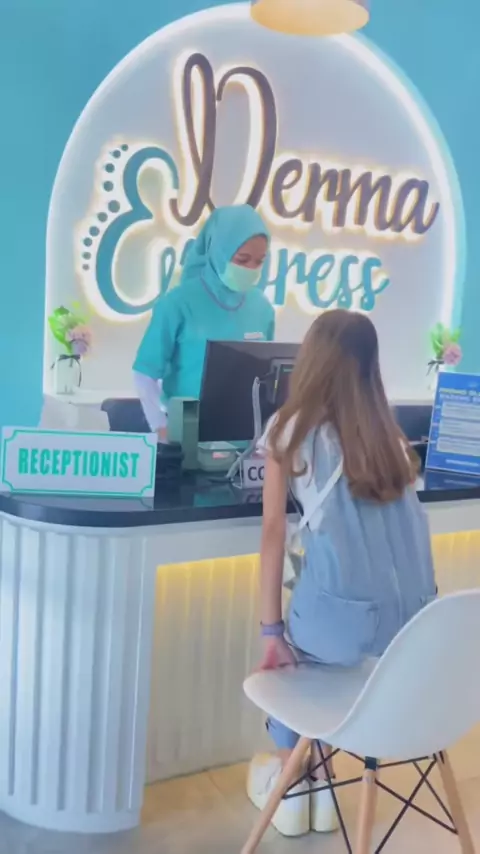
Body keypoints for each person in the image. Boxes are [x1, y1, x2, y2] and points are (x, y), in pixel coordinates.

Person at [247, 310, 436, 838]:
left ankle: (293, 777)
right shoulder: (393, 439)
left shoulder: (289, 430)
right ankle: (324, 783)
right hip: (413, 639)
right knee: (327, 626)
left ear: (311, 361)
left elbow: (272, 533)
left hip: (343, 633)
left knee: (289, 654)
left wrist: (270, 632)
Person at [133, 204, 274, 440]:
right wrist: (160, 427)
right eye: (242, 260)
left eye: (259, 261)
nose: (251, 269)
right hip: (186, 432)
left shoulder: (262, 307)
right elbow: (144, 373)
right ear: (219, 251)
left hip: (246, 436)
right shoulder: (177, 303)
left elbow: (268, 375)